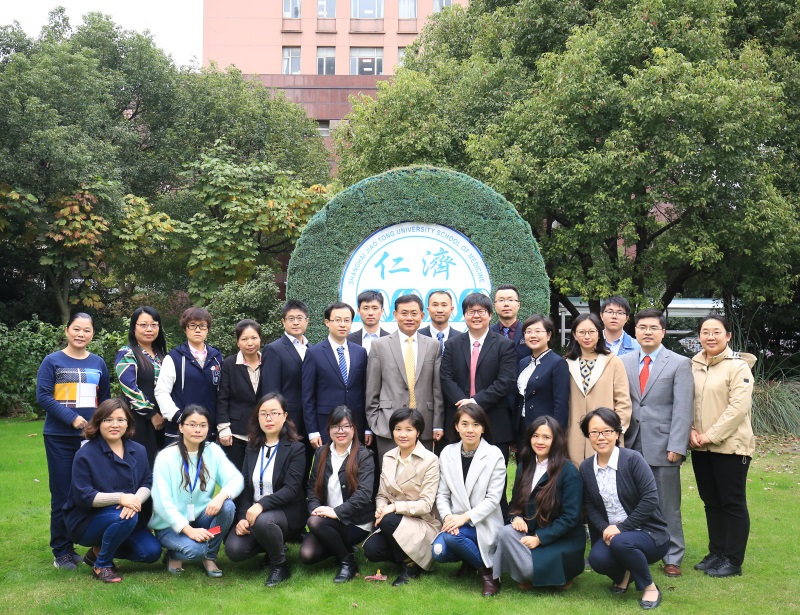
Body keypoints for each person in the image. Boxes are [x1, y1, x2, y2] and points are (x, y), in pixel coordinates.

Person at [621, 308, 693, 577]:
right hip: (630, 443)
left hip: (663, 444)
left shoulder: (679, 363)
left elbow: (683, 408)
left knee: (667, 503)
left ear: (663, 332)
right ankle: (636, 548)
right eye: (642, 327)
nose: (647, 332)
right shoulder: (624, 361)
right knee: (631, 500)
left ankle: (673, 555)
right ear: (635, 331)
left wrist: (677, 445)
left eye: (653, 327)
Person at [36, 312, 112, 570]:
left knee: (87, 491)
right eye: (76, 329)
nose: (81, 334)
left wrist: (100, 426)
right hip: (59, 437)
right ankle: (61, 551)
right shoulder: (52, 361)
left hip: (90, 439)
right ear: (67, 330)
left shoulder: (98, 362)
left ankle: (79, 543)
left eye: (86, 330)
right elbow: (43, 396)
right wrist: (73, 419)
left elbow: (105, 399)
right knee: (62, 493)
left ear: (93, 334)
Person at [63, 398, 163, 582]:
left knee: (151, 552)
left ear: (128, 423)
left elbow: (147, 482)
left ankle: (97, 552)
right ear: (98, 422)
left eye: (120, 420)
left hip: (129, 515)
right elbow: (84, 495)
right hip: (88, 520)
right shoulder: (85, 454)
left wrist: (134, 501)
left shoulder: (139, 450)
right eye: (108, 420)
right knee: (125, 517)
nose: (115, 425)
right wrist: (121, 498)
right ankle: (102, 565)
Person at [580, 408, 668, 611]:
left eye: (607, 431)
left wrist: (621, 528)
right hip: (612, 535)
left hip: (648, 533)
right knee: (597, 559)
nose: (601, 437)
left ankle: (649, 587)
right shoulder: (586, 468)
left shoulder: (633, 459)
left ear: (617, 433)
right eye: (594, 432)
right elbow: (590, 506)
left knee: (621, 541)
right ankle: (625, 575)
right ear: (588, 435)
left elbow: (650, 499)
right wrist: (605, 529)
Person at [689, 314, 756, 578]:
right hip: (700, 446)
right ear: (699, 336)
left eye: (716, 332)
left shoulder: (738, 367)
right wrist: (691, 431)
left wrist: (710, 435)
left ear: (728, 336)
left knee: (732, 503)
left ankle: (732, 560)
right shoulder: (694, 364)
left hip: (731, 447)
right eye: (705, 332)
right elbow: (687, 401)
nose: (710, 337)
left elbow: (737, 408)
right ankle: (716, 553)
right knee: (711, 502)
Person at [492, 416, 585, 591]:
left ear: (556, 440)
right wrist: (517, 518)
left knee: (529, 570)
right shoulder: (524, 466)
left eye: (546, 437)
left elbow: (571, 518)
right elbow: (514, 504)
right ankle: (535, 575)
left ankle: (553, 576)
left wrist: (539, 539)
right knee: (505, 533)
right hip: (531, 532)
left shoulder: (569, 472)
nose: (539, 441)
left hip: (561, 540)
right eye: (535, 436)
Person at [149, 405, 243, 577]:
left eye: (203, 425)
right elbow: (162, 502)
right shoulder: (166, 457)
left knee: (227, 505)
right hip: (170, 525)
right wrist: (189, 530)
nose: (198, 430)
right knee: (196, 551)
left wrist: (221, 496)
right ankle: (173, 554)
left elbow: (236, 479)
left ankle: (210, 556)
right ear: (181, 427)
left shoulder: (212, 451)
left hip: (200, 517)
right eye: (192, 425)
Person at [225, 393, 307, 587]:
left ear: (284, 416)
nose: (268, 418)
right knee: (234, 550)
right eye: (263, 414)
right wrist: (242, 517)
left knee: (264, 521)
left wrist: (261, 505)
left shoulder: (296, 449)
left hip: (286, 512)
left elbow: (291, 489)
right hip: (255, 512)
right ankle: (274, 546)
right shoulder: (252, 447)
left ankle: (279, 565)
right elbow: (245, 486)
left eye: (274, 413)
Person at [432, 404, 505, 596]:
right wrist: (448, 517)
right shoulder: (447, 453)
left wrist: (463, 518)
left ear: (483, 428)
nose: (470, 430)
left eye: (475, 424)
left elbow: (493, 499)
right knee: (439, 551)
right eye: (464, 424)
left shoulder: (494, 455)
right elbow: (442, 494)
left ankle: (489, 574)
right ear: (457, 426)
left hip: (483, 522)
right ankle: (471, 561)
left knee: (451, 538)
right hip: (455, 521)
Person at [363, 408, 441, 586]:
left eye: (409, 429)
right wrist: (381, 508)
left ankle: (410, 567)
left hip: (421, 522)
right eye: (398, 429)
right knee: (371, 550)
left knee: (388, 520)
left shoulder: (430, 460)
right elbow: (382, 494)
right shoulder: (388, 457)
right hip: (393, 521)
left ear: (418, 432)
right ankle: (412, 559)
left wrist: (393, 508)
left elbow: (426, 504)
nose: (402, 434)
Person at [300, 406, 375, 582]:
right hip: (326, 521)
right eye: (335, 426)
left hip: (355, 522)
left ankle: (348, 562)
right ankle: (343, 548)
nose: (340, 431)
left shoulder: (364, 456)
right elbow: (312, 487)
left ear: (354, 429)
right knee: (307, 555)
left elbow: (364, 495)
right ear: (329, 429)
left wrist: (336, 512)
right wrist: (315, 509)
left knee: (314, 522)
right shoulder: (321, 452)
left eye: (346, 426)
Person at [366, 294, 444, 460]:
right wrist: (375, 422)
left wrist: (437, 424)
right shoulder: (380, 345)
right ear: (395, 315)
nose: (409, 318)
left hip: (424, 425)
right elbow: (372, 389)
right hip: (388, 426)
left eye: (414, 313)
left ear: (422, 315)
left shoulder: (433, 346)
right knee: (390, 472)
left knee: (422, 472)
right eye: (404, 313)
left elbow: (437, 390)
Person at [440, 293, 517, 460]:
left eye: (481, 311)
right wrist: (464, 404)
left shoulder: (505, 345)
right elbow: (446, 378)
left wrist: (474, 402)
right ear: (464, 315)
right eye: (471, 312)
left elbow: (505, 381)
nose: (476, 316)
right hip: (458, 420)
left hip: (494, 421)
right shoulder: (452, 344)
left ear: (490, 315)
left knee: (494, 472)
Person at [564, 312, 631, 466]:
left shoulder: (613, 362)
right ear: (574, 335)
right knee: (575, 474)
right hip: (574, 434)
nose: (587, 336)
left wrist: (615, 430)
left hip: (605, 435)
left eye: (591, 332)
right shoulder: (566, 363)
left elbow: (623, 401)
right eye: (582, 332)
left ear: (599, 334)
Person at [302, 302, 370, 449]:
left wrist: (367, 427)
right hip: (326, 423)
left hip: (355, 423)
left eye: (347, 320)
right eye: (337, 320)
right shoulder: (314, 353)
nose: (342, 324)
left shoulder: (360, 352)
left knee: (355, 461)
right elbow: (308, 396)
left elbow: (365, 391)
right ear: (327, 322)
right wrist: (312, 431)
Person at [155, 307, 223, 443]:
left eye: (202, 326)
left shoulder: (217, 357)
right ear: (185, 328)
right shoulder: (174, 357)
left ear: (207, 329)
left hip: (208, 430)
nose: (197, 330)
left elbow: (222, 393)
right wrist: (178, 417)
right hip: (179, 431)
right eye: (192, 325)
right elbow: (161, 391)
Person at [115, 306, 167, 468]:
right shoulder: (127, 353)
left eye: (154, 325)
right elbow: (130, 389)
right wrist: (152, 414)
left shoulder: (161, 354)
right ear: (134, 327)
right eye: (143, 325)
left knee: (161, 467)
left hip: (164, 419)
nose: (149, 329)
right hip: (138, 420)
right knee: (141, 466)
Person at [262, 300, 311, 451]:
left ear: (307, 321)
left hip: (309, 422)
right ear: (283, 322)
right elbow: (271, 391)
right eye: (291, 318)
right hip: (287, 422)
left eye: (300, 318)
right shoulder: (274, 349)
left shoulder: (312, 349)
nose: (295, 322)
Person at [217, 319, 263, 470]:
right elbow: (222, 398)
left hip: (263, 431)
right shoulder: (229, 364)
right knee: (236, 477)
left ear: (260, 339)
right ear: (237, 342)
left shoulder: (269, 362)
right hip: (235, 433)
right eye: (244, 339)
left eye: (254, 338)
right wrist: (223, 429)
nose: (250, 343)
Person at [516, 315, 570, 434]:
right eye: (528, 332)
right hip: (522, 427)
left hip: (544, 428)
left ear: (549, 335)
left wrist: (557, 433)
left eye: (538, 331)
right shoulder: (523, 362)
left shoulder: (558, 363)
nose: (533, 335)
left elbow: (561, 404)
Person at [491, 284, 529, 363]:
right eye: (501, 300)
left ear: (518, 305)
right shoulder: (487, 333)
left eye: (510, 300)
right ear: (494, 306)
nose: (506, 304)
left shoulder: (528, 332)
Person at [418, 290, 460, 357]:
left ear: (451, 309)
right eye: (435, 305)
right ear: (428, 310)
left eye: (444, 305)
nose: (440, 310)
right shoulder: (417, 336)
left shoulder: (461, 338)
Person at [346, 290, 389, 354]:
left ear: (382, 311)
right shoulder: (348, 340)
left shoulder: (391, 340)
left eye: (375, 308)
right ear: (358, 311)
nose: (370, 313)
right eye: (366, 308)